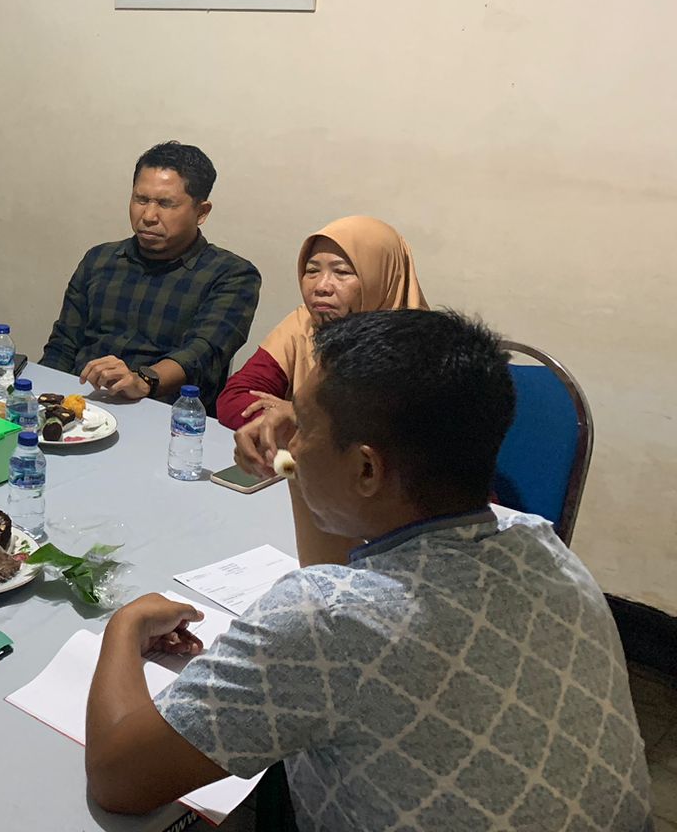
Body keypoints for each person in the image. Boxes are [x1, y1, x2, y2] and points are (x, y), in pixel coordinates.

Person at [84, 310, 652, 830]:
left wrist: (126, 624)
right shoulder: (543, 546)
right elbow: (338, 581)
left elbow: (119, 780)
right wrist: (303, 459)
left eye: (303, 425)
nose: (290, 435)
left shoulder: (327, 620)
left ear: (366, 469)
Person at [222, 216, 427, 565]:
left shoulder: (421, 350)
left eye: (342, 272)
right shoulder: (304, 323)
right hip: (325, 507)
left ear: (382, 275)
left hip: (409, 524)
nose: (321, 287)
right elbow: (235, 397)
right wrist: (283, 422)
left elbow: (396, 447)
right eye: (312, 271)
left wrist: (303, 417)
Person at [40, 141, 260, 407]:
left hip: (165, 413)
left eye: (166, 204)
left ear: (201, 212)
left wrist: (142, 380)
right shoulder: (99, 260)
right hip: (82, 403)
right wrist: (40, 399)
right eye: (141, 200)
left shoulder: (232, 275)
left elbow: (202, 353)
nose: (148, 216)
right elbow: (63, 345)